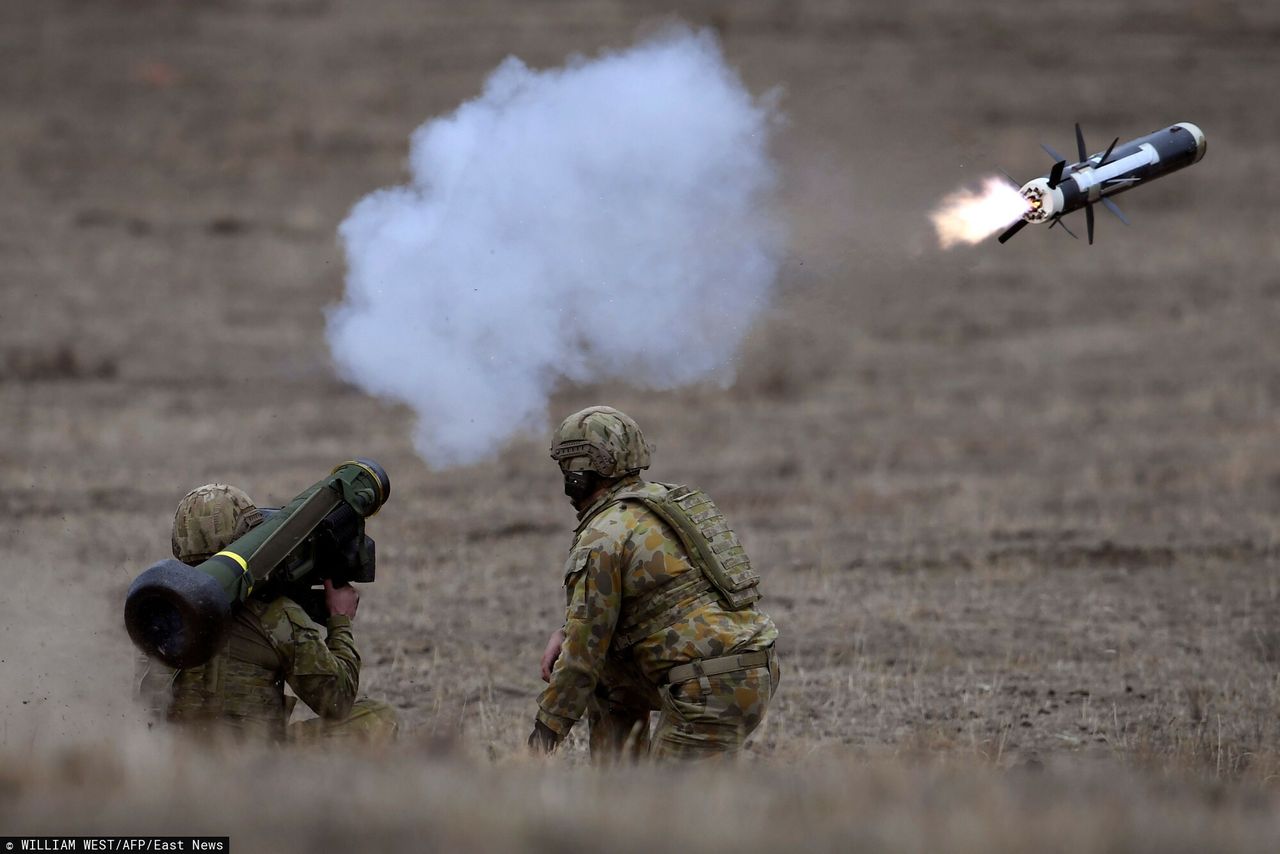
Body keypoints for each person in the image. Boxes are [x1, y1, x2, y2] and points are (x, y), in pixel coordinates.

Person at [529, 406, 779, 761]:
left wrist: (543, 736)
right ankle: (617, 792)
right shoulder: (662, 504)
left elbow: (581, 659)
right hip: (748, 669)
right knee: (606, 680)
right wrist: (567, 633)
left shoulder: (602, 534)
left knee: (665, 810)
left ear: (579, 472)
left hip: (711, 687)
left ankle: (631, 802)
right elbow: (615, 620)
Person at [137, 483, 398, 743]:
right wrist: (339, 620)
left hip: (177, 757)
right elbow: (336, 699)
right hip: (257, 761)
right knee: (379, 716)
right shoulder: (276, 617)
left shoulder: (157, 612)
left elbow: (145, 705)